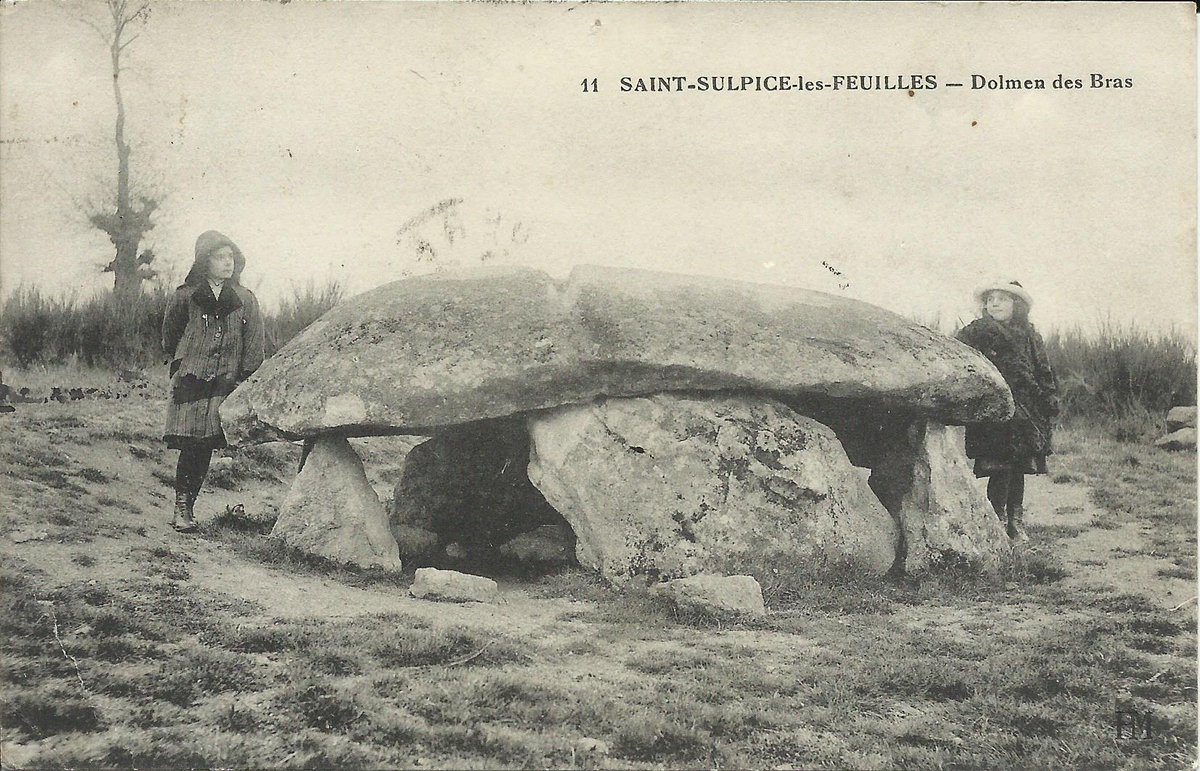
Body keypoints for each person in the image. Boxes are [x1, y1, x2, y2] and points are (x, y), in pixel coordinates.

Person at [161, 231, 265, 532]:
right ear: (205, 262)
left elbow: (254, 342)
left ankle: (188, 506)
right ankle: (182, 507)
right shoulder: (185, 295)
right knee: (190, 443)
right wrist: (182, 360)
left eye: (231, 257)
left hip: (224, 382)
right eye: (220, 257)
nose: (227, 263)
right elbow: (170, 335)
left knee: (205, 445)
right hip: (191, 378)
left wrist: (244, 378)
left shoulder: (245, 299)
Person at [955, 279, 1059, 542]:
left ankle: (1016, 520)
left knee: (1019, 467)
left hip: (1026, 412)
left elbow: (1043, 370)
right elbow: (959, 355)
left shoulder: (1030, 335)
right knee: (999, 467)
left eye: (1003, 298)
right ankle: (996, 520)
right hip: (996, 412)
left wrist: (1047, 399)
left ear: (1018, 304)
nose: (995, 303)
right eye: (991, 299)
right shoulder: (977, 333)